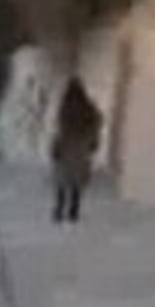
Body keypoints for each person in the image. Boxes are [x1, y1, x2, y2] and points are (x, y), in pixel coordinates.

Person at [50, 77, 103, 224]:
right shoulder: (88, 106)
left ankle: (59, 208)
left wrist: (55, 147)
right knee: (77, 180)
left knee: (61, 178)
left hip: (66, 145)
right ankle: (74, 209)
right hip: (81, 146)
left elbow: (59, 128)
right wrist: (93, 141)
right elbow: (97, 121)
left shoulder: (65, 106)